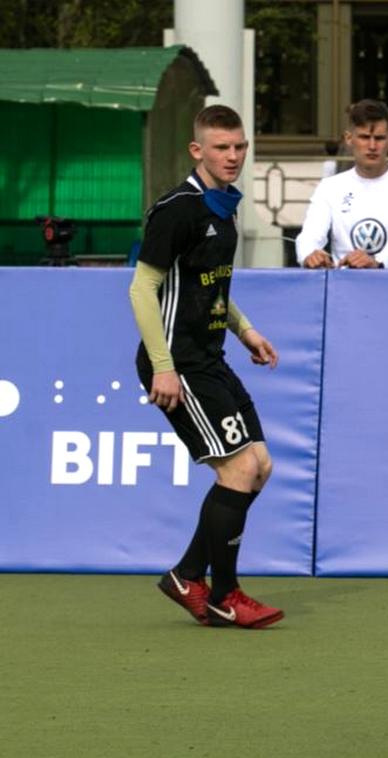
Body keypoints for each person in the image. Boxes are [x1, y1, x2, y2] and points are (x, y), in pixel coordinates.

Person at [129, 105, 284, 629]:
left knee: (259, 465)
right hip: (178, 363)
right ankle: (224, 595)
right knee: (239, 469)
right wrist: (163, 366)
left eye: (239, 146)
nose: (233, 156)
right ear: (198, 150)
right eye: (222, 147)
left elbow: (210, 285)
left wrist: (246, 330)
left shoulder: (224, 207)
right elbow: (142, 289)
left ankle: (188, 575)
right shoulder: (178, 210)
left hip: (209, 357)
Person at [296, 99, 388, 269]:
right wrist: (310, 255)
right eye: (365, 137)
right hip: (343, 282)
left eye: (379, 138)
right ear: (349, 139)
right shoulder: (330, 187)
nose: (372, 146)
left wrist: (376, 261)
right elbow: (310, 236)